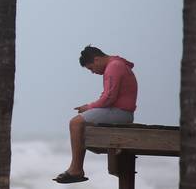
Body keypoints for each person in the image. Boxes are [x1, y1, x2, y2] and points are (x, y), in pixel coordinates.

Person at [53, 45, 138, 184]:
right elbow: (108, 96)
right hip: (121, 112)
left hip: (120, 113)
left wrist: (88, 107)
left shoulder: (114, 66)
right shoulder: (116, 64)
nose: (92, 72)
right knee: (81, 122)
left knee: (75, 123)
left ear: (97, 59)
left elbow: (109, 97)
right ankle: (76, 167)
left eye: (91, 68)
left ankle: (76, 169)